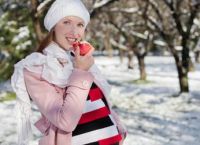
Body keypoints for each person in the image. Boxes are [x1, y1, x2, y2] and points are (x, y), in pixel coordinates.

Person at [11, 0, 126, 145]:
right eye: (66, 22)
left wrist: (119, 130)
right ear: (53, 26)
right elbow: (65, 121)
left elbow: (99, 102)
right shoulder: (37, 68)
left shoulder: (78, 59)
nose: (74, 31)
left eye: (80, 24)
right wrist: (80, 72)